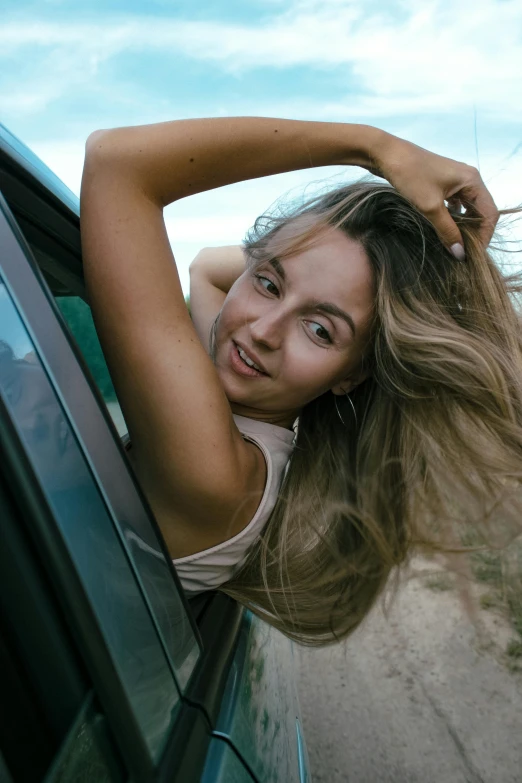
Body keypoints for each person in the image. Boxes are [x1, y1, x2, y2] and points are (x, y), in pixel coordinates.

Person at [80, 117, 521, 646]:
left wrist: (371, 146)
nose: (264, 331)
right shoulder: (250, 420)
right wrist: (318, 270)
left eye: (319, 329)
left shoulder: (214, 469)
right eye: (268, 283)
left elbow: (115, 162)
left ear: (352, 375)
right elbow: (205, 269)